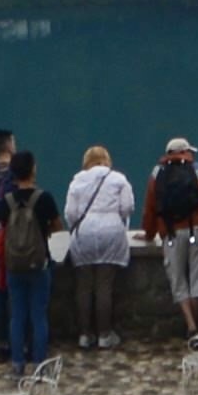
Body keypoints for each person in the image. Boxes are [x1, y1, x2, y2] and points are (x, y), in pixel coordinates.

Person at [0, 128, 57, 373]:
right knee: (38, 314)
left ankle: (17, 363)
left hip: (13, 264)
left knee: (17, 315)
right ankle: (39, 363)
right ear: (33, 169)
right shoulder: (44, 198)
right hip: (38, 262)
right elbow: (57, 225)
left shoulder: (6, 200)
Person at [61, 142, 138, 351]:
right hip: (111, 232)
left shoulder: (77, 181)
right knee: (105, 284)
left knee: (84, 285)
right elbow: (128, 207)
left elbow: (70, 213)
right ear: (107, 160)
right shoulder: (118, 179)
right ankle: (104, 334)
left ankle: (85, 335)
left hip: (84, 233)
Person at [146, 137, 198, 340]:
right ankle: (195, 328)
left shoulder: (157, 173)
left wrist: (150, 233)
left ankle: (190, 326)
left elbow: (151, 207)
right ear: (187, 152)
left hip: (172, 232)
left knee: (178, 280)